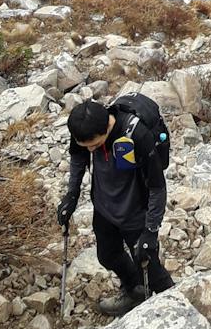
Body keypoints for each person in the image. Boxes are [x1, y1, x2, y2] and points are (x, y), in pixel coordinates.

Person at [56, 99, 172, 315]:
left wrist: (151, 231)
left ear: (107, 128)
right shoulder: (85, 130)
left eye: (95, 145)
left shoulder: (136, 135)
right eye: (86, 146)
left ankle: (176, 312)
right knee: (107, 255)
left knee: (150, 267)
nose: (90, 150)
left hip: (136, 210)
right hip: (104, 207)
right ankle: (134, 291)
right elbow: (77, 157)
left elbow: (157, 187)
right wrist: (72, 194)